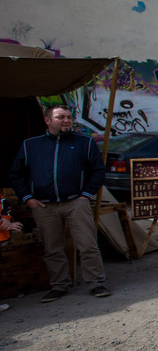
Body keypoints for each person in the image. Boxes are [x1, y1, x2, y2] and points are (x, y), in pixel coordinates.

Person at [9, 105, 111, 302]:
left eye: (69, 117)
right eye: (60, 117)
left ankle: (97, 283)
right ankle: (59, 285)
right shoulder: (31, 145)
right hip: (44, 205)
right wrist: (27, 198)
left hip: (76, 202)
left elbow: (98, 171)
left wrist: (86, 195)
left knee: (87, 244)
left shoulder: (84, 143)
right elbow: (16, 174)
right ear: (48, 121)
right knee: (52, 248)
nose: (66, 121)